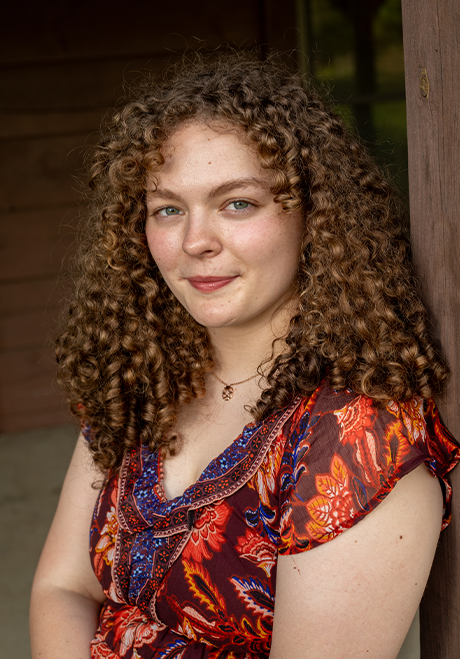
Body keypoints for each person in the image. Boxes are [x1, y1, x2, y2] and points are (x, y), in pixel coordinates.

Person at [30, 53, 459, 659]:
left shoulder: (354, 443)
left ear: (314, 216)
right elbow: (62, 587)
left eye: (238, 204)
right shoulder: (144, 375)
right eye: (168, 209)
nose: (195, 241)